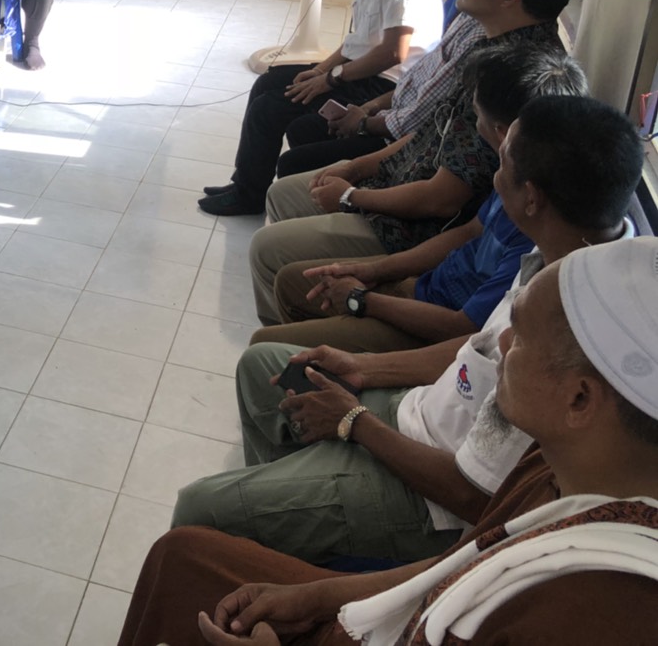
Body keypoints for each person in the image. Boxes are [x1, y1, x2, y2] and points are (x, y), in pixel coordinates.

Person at [120, 234, 658, 646]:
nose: (503, 342)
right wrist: (316, 597)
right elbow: (461, 561)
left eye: (522, 337)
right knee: (181, 558)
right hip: (397, 603)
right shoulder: (551, 465)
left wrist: (354, 421)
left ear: (580, 399)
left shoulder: (594, 612)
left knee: (194, 536)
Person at [247, 0, 583, 323]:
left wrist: (351, 195)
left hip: (412, 228)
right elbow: (426, 131)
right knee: (284, 193)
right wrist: (355, 169)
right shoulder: (488, 45)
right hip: (394, 182)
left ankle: (308, 333)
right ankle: (309, 319)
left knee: (269, 249)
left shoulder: (517, 80)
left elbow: (441, 200)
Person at [251, 45, 584, 353]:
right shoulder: (515, 174)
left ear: (502, 132)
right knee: (293, 282)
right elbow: (470, 231)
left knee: (264, 347)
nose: (471, 121)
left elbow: (465, 329)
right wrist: (372, 270)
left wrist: (362, 300)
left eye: (475, 114)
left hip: (432, 324)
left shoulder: (535, 228)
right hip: (426, 286)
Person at [200, 0, 443, 218]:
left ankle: (250, 196)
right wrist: (320, 69)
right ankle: (245, 184)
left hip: (385, 85)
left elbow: (393, 52)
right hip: (364, 70)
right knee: (268, 82)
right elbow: (359, 40)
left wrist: (331, 79)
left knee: (271, 108)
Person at [273, 0, 541, 180]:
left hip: (400, 130)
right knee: (287, 109)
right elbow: (413, 76)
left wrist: (357, 112)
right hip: (393, 105)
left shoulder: (480, 36)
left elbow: (416, 106)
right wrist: (361, 101)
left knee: (288, 137)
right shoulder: (467, 13)